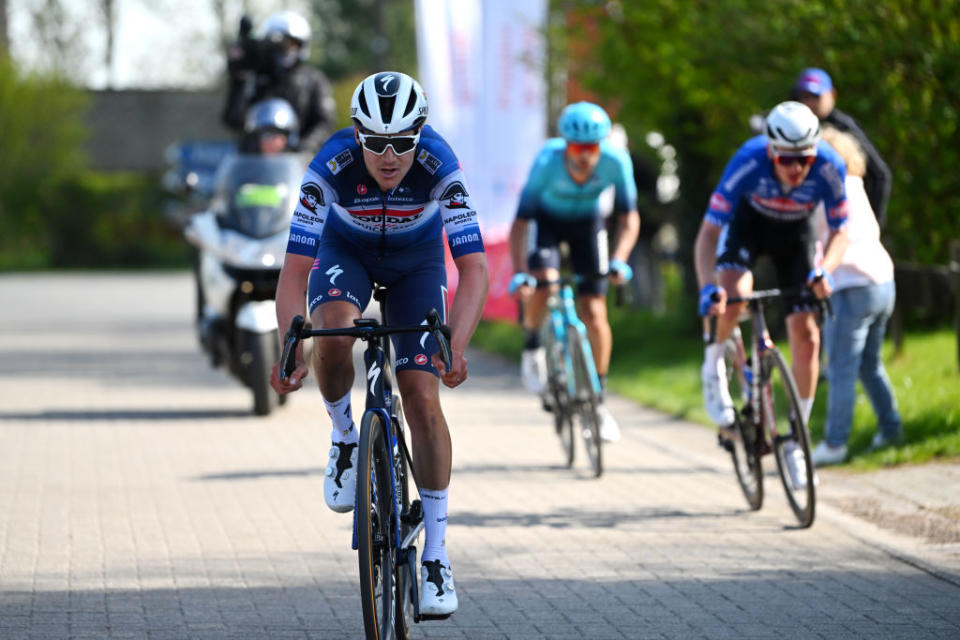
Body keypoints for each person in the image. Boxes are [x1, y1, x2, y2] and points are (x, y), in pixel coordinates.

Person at [269, 71, 489, 616]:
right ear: (356, 134)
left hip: (418, 264)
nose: (389, 157)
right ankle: (345, 435)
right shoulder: (329, 168)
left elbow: (476, 269)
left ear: (421, 134)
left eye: (402, 144)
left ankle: (436, 554)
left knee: (422, 397)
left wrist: (455, 346)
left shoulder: (441, 165)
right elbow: (294, 274)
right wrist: (287, 344)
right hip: (348, 253)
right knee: (335, 332)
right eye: (375, 144)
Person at [694, 101, 850, 489]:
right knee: (735, 296)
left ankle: (796, 440)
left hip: (796, 237)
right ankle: (713, 367)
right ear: (770, 152)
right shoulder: (748, 160)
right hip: (749, 227)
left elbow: (840, 231)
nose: (797, 169)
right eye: (787, 160)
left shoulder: (831, 165)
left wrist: (824, 271)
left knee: (807, 336)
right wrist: (706, 288)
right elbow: (709, 234)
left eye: (805, 159)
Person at [507, 102, 641, 443]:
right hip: (547, 225)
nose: (585, 155)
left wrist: (621, 258)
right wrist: (522, 271)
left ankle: (598, 402)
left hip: (588, 226)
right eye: (578, 147)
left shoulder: (616, 161)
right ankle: (533, 345)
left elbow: (628, 218)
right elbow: (521, 224)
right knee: (546, 285)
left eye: (592, 147)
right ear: (566, 144)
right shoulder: (546, 162)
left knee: (595, 310)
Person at [810, 127, 902, 466]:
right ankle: (891, 429)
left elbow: (824, 240)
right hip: (882, 282)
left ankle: (835, 444)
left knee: (841, 368)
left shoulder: (827, 192)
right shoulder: (856, 184)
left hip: (852, 286)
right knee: (870, 365)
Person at [221, 11, 336, 155]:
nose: (287, 50)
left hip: (297, 167)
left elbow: (324, 123)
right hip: (253, 164)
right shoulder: (255, 78)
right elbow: (233, 120)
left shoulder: (314, 80)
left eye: (293, 44)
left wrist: (304, 150)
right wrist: (238, 76)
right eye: (281, 44)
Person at [791, 68, 892, 228]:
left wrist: (874, 224)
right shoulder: (792, 127)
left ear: (832, 94)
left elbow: (879, 174)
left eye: (816, 96)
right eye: (805, 96)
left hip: (846, 218)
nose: (810, 102)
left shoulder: (845, 128)